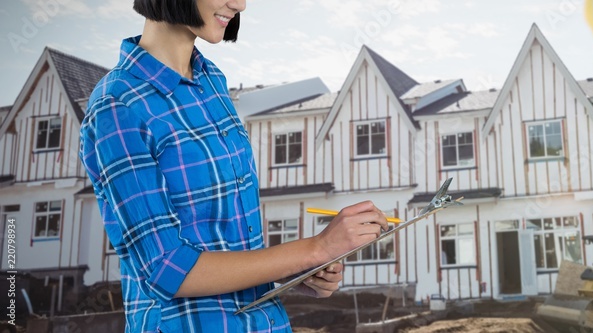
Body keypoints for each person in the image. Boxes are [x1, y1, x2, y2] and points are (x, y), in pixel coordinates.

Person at [79, 1, 389, 331]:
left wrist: (296, 270)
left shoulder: (210, 79)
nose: (239, 4)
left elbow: (226, 242)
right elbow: (166, 268)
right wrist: (315, 248)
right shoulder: (118, 105)